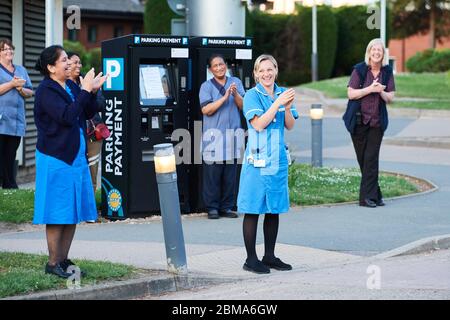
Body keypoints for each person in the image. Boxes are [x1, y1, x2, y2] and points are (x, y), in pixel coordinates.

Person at [33, 45, 107, 278]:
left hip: (75, 156)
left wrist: (92, 91)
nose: (70, 63)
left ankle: (64, 260)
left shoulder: (72, 86)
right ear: (51, 67)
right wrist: (84, 91)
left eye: (69, 59)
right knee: (57, 211)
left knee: (72, 209)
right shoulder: (46, 90)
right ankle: (53, 262)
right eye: (64, 60)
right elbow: (66, 117)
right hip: (56, 157)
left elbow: (88, 112)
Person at [237, 54, 298, 274]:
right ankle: (250, 259)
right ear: (255, 74)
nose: (266, 74)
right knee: (253, 208)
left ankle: (269, 256)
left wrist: (288, 107)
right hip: (258, 157)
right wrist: (278, 103)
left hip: (277, 158)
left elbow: (289, 125)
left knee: (274, 208)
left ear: (276, 70)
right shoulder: (251, 96)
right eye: (261, 71)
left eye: (269, 69)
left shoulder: (283, 93)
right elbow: (259, 124)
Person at [346, 38, 395, 208]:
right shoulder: (359, 70)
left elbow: (390, 97)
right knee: (364, 161)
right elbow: (351, 94)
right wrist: (370, 89)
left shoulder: (387, 72)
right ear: (369, 52)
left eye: (379, 50)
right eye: (373, 49)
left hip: (376, 123)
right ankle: (376, 195)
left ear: (383, 54)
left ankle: (365, 199)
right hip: (358, 122)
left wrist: (380, 91)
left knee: (371, 159)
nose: (376, 52)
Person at [199, 54, 245, 219]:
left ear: (226, 65)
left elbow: (243, 106)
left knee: (230, 176)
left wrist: (235, 95)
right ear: (210, 69)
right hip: (213, 138)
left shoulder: (236, 83)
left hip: (233, 136)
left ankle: (226, 207)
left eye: (221, 64)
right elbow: (206, 110)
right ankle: (212, 208)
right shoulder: (206, 87)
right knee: (213, 175)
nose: (219, 67)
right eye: (215, 65)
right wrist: (225, 97)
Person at [67, 52, 106, 194]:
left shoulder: (87, 81)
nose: (79, 65)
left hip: (93, 133)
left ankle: (91, 209)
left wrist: (92, 91)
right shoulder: (62, 85)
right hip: (74, 134)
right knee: (76, 171)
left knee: (92, 171)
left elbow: (100, 105)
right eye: (75, 62)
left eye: (79, 62)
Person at [0, 39, 33, 189]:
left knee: (11, 153)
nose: (9, 51)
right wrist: (12, 84)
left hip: (16, 120)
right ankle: (9, 184)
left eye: (10, 49)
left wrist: (21, 89)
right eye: (4, 49)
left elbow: (30, 92)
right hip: (1, 119)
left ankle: (9, 184)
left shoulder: (21, 70)